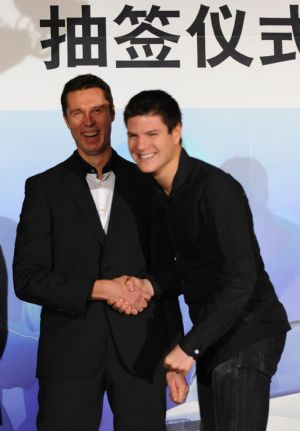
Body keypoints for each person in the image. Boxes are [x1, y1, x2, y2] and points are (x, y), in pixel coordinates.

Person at [13, 75, 187, 431]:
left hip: (143, 354)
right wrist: (102, 288)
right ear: (65, 119)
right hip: (69, 357)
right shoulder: (43, 188)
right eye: (77, 113)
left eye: (97, 110)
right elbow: (28, 278)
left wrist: (174, 360)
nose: (88, 121)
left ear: (112, 113)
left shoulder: (150, 184)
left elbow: (174, 271)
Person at [124, 89, 291, 431]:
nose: (142, 146)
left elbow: (241, 278)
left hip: (249, 331)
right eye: (133, 135)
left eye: (152, 134)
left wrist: (189, 348)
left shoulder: (216, 189)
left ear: (176, 132)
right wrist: (150, 286)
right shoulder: (161, 196)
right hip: (213, 335)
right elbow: (190, 269)